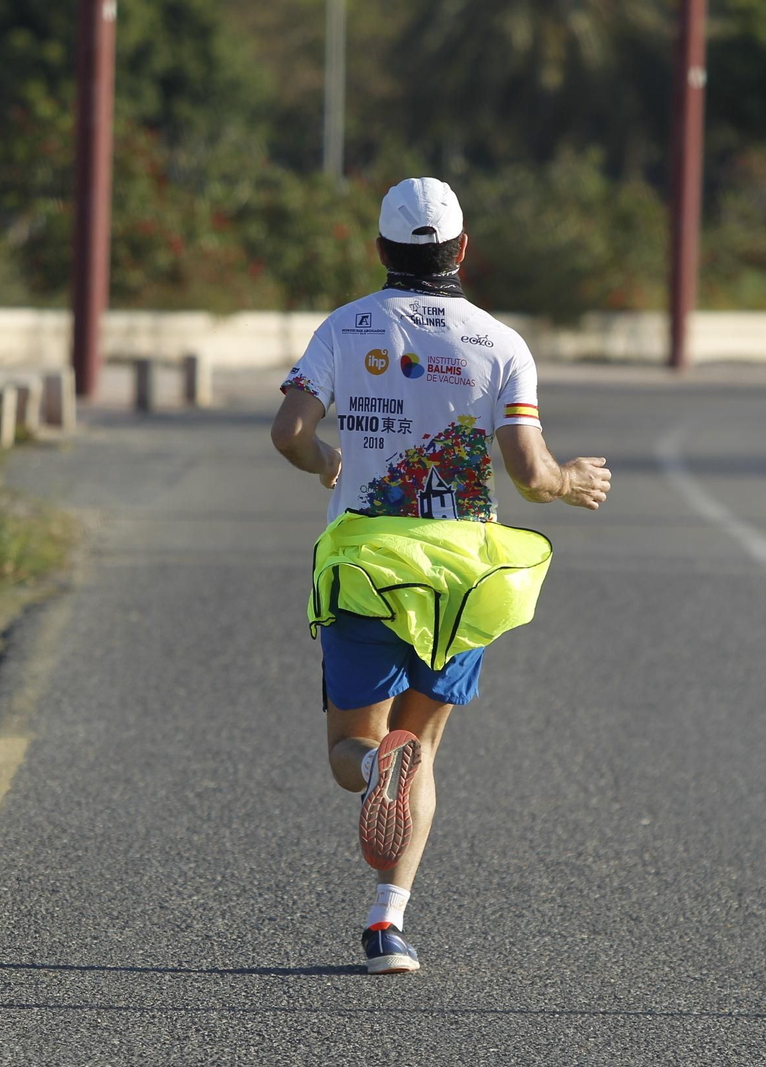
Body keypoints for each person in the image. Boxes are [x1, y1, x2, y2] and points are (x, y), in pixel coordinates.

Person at [269, 177, 612, 974]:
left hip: (366, 567)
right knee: (419, 743)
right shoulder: (500, 343)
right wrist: (568, 480)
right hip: (463, 577)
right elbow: (528, 473)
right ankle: (387, 925)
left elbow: (289, 429)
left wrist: (323, 458)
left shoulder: (347, 327)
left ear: (381, 250)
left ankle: (372, 773)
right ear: (462, 250)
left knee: (354, 749)